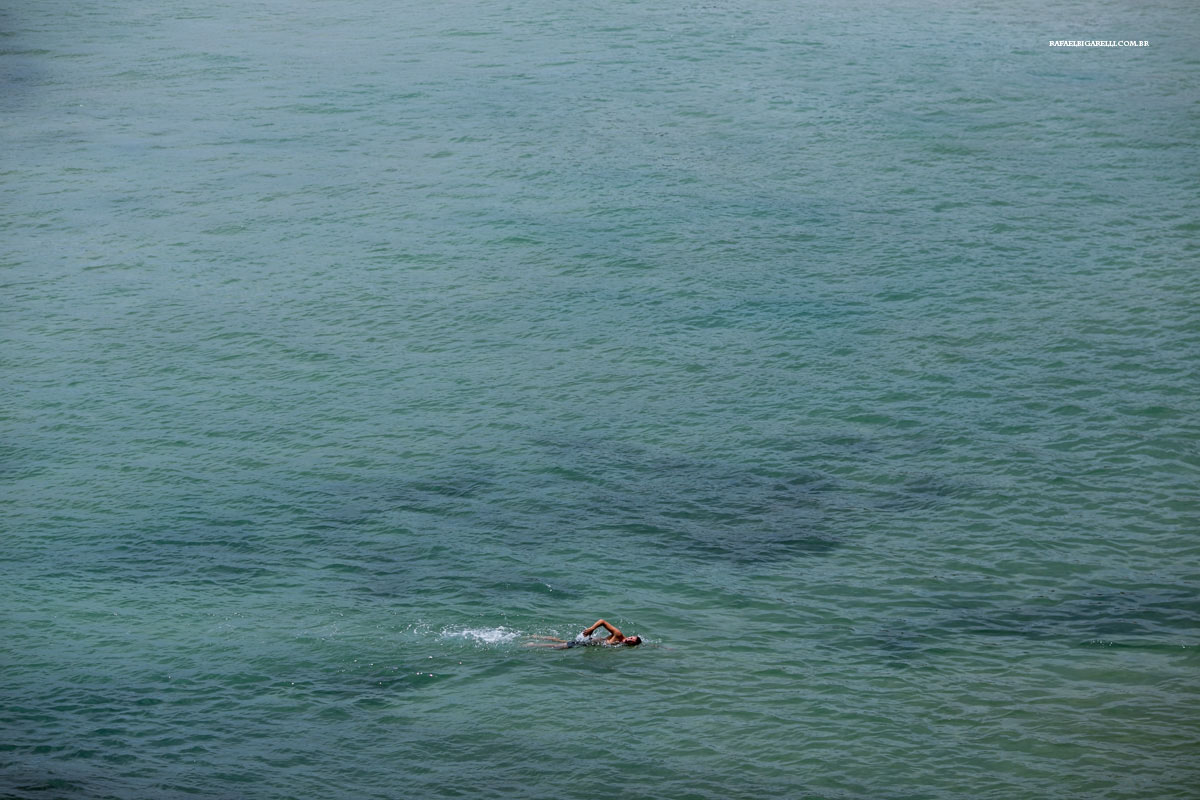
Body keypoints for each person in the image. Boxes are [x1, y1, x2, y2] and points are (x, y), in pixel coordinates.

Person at [524, 619, 643, 649]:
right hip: (587, 641)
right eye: (631, 637)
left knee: (562, 641)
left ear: (632, 645)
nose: (630, 639)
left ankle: (536, 637)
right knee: (560, 647)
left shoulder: (622, 645)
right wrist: (591, 629)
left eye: (632, 641)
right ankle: (533, 644)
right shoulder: (618, 635)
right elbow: (602, 621)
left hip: (586, 643)